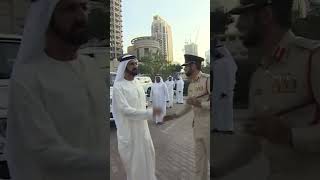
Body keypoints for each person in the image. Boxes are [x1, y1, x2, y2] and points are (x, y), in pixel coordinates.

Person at [213, 0, 320, 179]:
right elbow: (253, 141)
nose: (238, 25)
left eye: (245, 16)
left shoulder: (312, 59)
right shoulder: (261, 74)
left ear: (266, 16)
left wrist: (291, 135)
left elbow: (281, 135)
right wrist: (216, 171)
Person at [6, 0, 108, 180]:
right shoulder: (27, 78)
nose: (80, 16)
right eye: (69, 9)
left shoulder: (90, 67)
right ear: (46, 19)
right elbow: (45, 151)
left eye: (83, 7)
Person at [112, 54, 161, 180]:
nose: (135, 66)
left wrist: (149, 112)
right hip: (130, 133)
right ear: (124, 67)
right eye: (131, 64)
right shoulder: (119, 87)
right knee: (135, 165)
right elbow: (126, 111)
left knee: (149, 156)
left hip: (143, 130)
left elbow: (141, 105)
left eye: (136, 63)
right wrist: (150, 113)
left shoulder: (138, 83)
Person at [166, 54, 210, 180]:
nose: (184, 69)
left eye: (186, 66)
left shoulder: (207, 80)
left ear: (194, 66)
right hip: (197, 127)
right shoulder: (190, 85)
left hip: (209, 125)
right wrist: (174, 115)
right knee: (199, 162)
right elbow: (188, 106)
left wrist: (200, 104)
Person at [212, 41, 238, 133]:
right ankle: (217, 127)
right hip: (217, 90)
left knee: (226, 109)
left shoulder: (229, 62)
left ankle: (228, 128)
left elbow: (231, 78)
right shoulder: (217, 62)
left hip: (226, 90)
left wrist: (226, 90)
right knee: (216, 109)